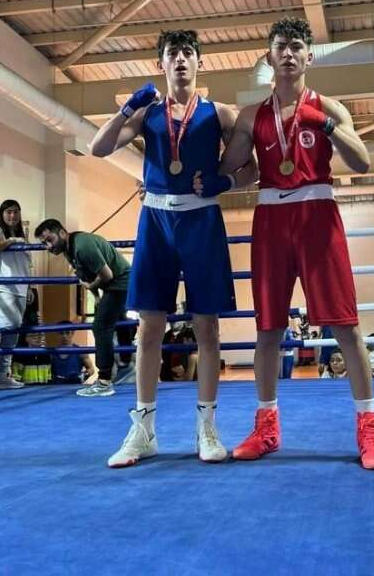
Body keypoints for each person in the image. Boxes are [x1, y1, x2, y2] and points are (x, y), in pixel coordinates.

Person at [210, 17, 374, 470]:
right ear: (269, 57)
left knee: (345, 325)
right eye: (281, 46)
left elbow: (363, 162)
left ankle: (369, 428)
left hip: (318, 215)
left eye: (296, 46)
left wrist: (326, 126)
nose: (288, 53)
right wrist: (186, 166)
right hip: (271, 217)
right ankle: (266, 426)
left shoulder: (331, 107)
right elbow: (229, 168)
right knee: (268, 327)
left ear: (309, 56)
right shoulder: (252, 116)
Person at [89, 29, 258, 467]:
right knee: (149, 327)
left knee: (208, 327)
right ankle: (143, 430)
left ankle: (207, 427)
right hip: (156, 219)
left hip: (202, 219)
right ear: (161, 64)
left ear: (199, 62)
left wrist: (224, 182)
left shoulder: (219, 113)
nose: (180, 59)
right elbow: (98, 147)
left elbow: (253, 169)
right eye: (172, 53)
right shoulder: (147, 113)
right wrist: (127, 107)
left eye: (187, 53)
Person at [34, 219, 130, 397]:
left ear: (62, 233)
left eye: (50, 240)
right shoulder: (68, 250)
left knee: (101, 327)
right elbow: (87, 276)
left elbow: (107, 275)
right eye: (44, 243)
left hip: (120, 282)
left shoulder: (82, 246)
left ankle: (104, 381)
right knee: (109, 322)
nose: (48, 246)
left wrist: (92, 287)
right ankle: (125, 356)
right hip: (112, 285)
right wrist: (96, 297)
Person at [0, 199, 31, 389]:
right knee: (11, 323)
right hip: (3, 286)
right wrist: (10, 241)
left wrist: (30, 286)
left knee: (13, 331)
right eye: (9, 212)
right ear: (2, 214)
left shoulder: (22, 235)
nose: (13, 215)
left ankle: (3, 375)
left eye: (16, 212)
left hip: (21, 287)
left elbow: (27, 264)